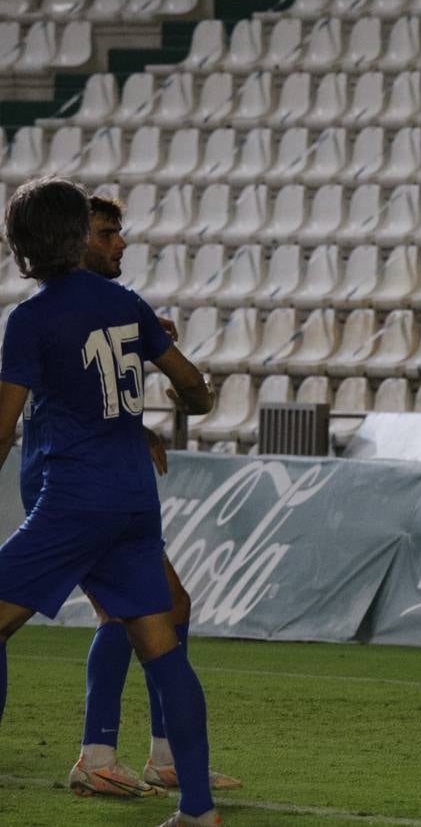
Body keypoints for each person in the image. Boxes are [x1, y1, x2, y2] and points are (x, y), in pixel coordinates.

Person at [0, 177, 222, 827]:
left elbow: (5, 425)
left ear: (22, 247)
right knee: (160, 640)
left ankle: (108, 755)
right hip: (132, 497)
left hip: (73, 499)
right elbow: (190, 384)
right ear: (75, 237)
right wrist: (197, 401)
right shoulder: (127, 303)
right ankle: (197, 811)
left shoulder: (32, 319)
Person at [66, 195, 242, 798]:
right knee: (128, 611)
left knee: (172, 605)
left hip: (105, 473)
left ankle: (159, 756)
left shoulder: (107, 310)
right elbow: (51, 397)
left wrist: (134, 428)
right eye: (106, 233)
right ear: (73, 240)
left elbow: (88, 388)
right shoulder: (62, 311)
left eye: (119, 231)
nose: (120, 242)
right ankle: (98, 754)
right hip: (76, 482)